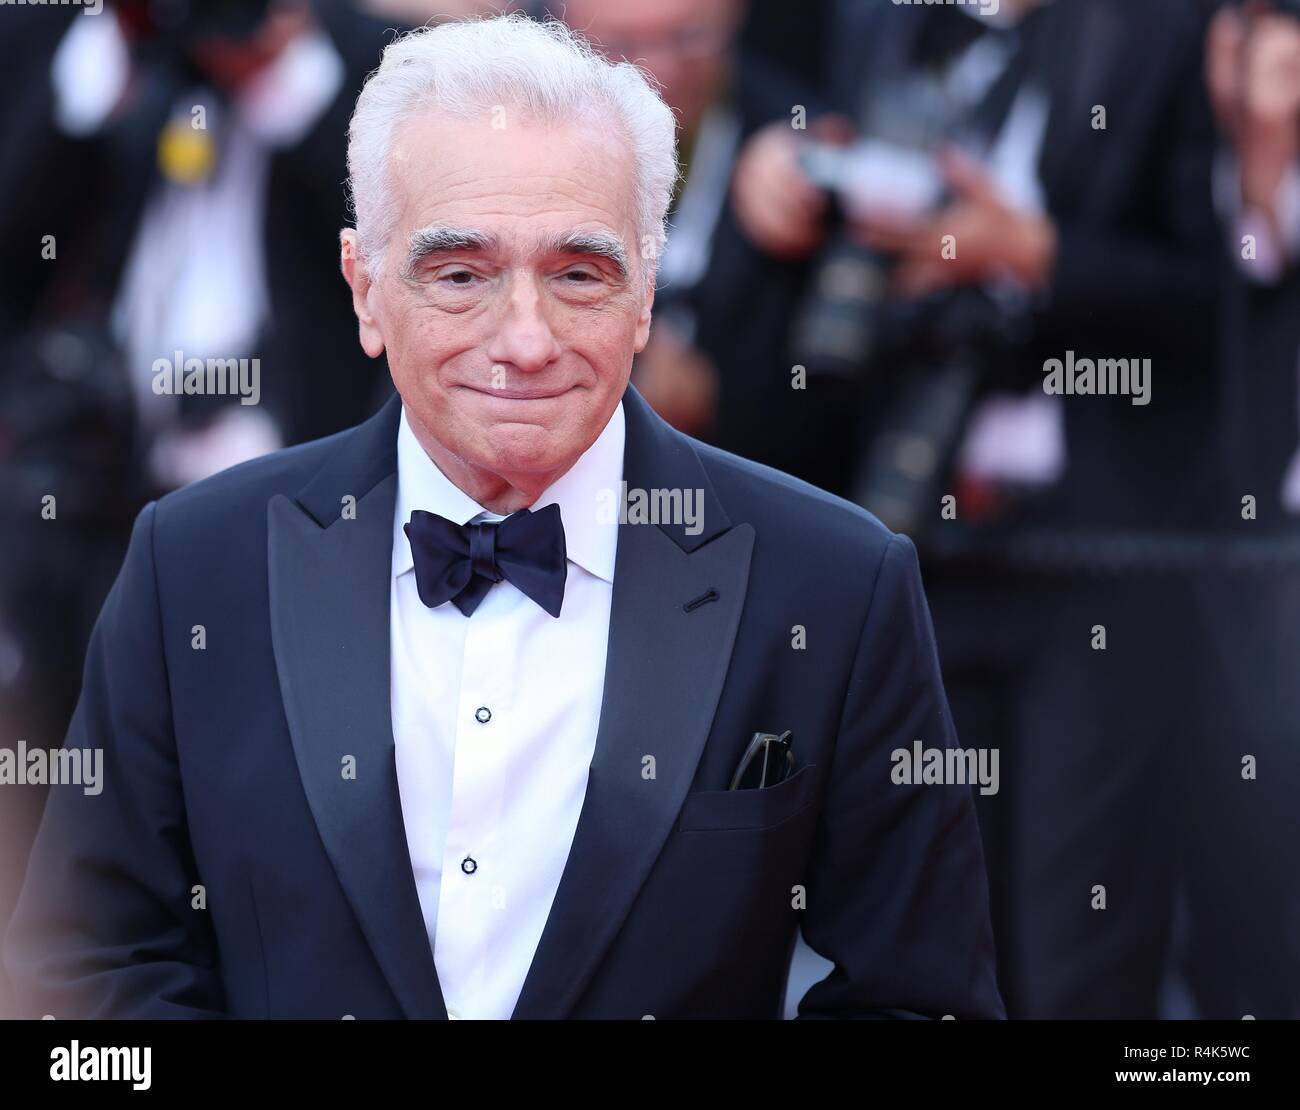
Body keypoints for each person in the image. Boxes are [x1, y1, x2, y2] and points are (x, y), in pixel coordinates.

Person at [3, 14, 1002, 1020]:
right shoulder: (195, 567)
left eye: (578, 273)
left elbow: (921, 1000)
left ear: (646, 293)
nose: (524, 340)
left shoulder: (832, 584)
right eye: (460, 274)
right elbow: (86, 975)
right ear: (365, 289)